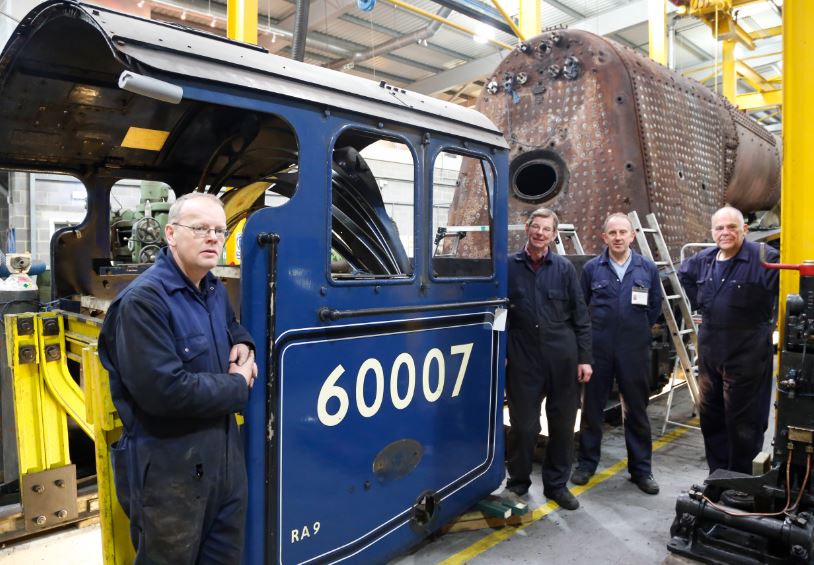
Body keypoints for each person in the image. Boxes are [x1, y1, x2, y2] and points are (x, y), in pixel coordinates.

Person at [99, 192, 258, 564]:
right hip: (170, 474)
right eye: (200, 228)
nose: (213, 238)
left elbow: (233, 327)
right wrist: (238, 384)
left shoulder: (212, 288)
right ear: (170, 233)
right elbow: (165, 392)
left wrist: (245, 347)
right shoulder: (143, 303)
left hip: (223, 464)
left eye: (219, 230)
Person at [678, 205, 778, 474]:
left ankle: (742, 481)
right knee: (712, 417)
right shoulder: (703, 260)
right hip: (711, 353)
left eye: (732, 227)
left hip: (749, 355)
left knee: (744, 421)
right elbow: (684, 277)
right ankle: (719, 476)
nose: (725, 232)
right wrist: (703, 303)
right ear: (712, 232)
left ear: (744, 229)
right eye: (720, 228)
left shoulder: (766, 258)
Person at [505, 208, 593, 510]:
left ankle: (556, 486)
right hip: (523, 358)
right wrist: (503, 353)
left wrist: (585, 358)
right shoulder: (509, 267)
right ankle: (517, 483)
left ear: (554, 235)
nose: (540, 233)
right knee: (524, 426)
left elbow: (581, 315)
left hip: (562, 359)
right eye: (536, 226)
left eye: (546, 229)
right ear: (527, 228)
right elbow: (500, 314)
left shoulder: (565, 269)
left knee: (562, 424)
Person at [572, 213, 662, 494]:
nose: (618, 237)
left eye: (623, 232)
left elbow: (654, 308)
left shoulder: (647, 268)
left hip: (634, 349)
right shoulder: (591, 269)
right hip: (599, 349)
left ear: (632, 236)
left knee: (636, 410)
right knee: (592, 408)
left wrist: (633, 332)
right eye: (613, 233)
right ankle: (587, 463)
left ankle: (641, 470)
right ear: (605, 237)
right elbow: (580, 308)